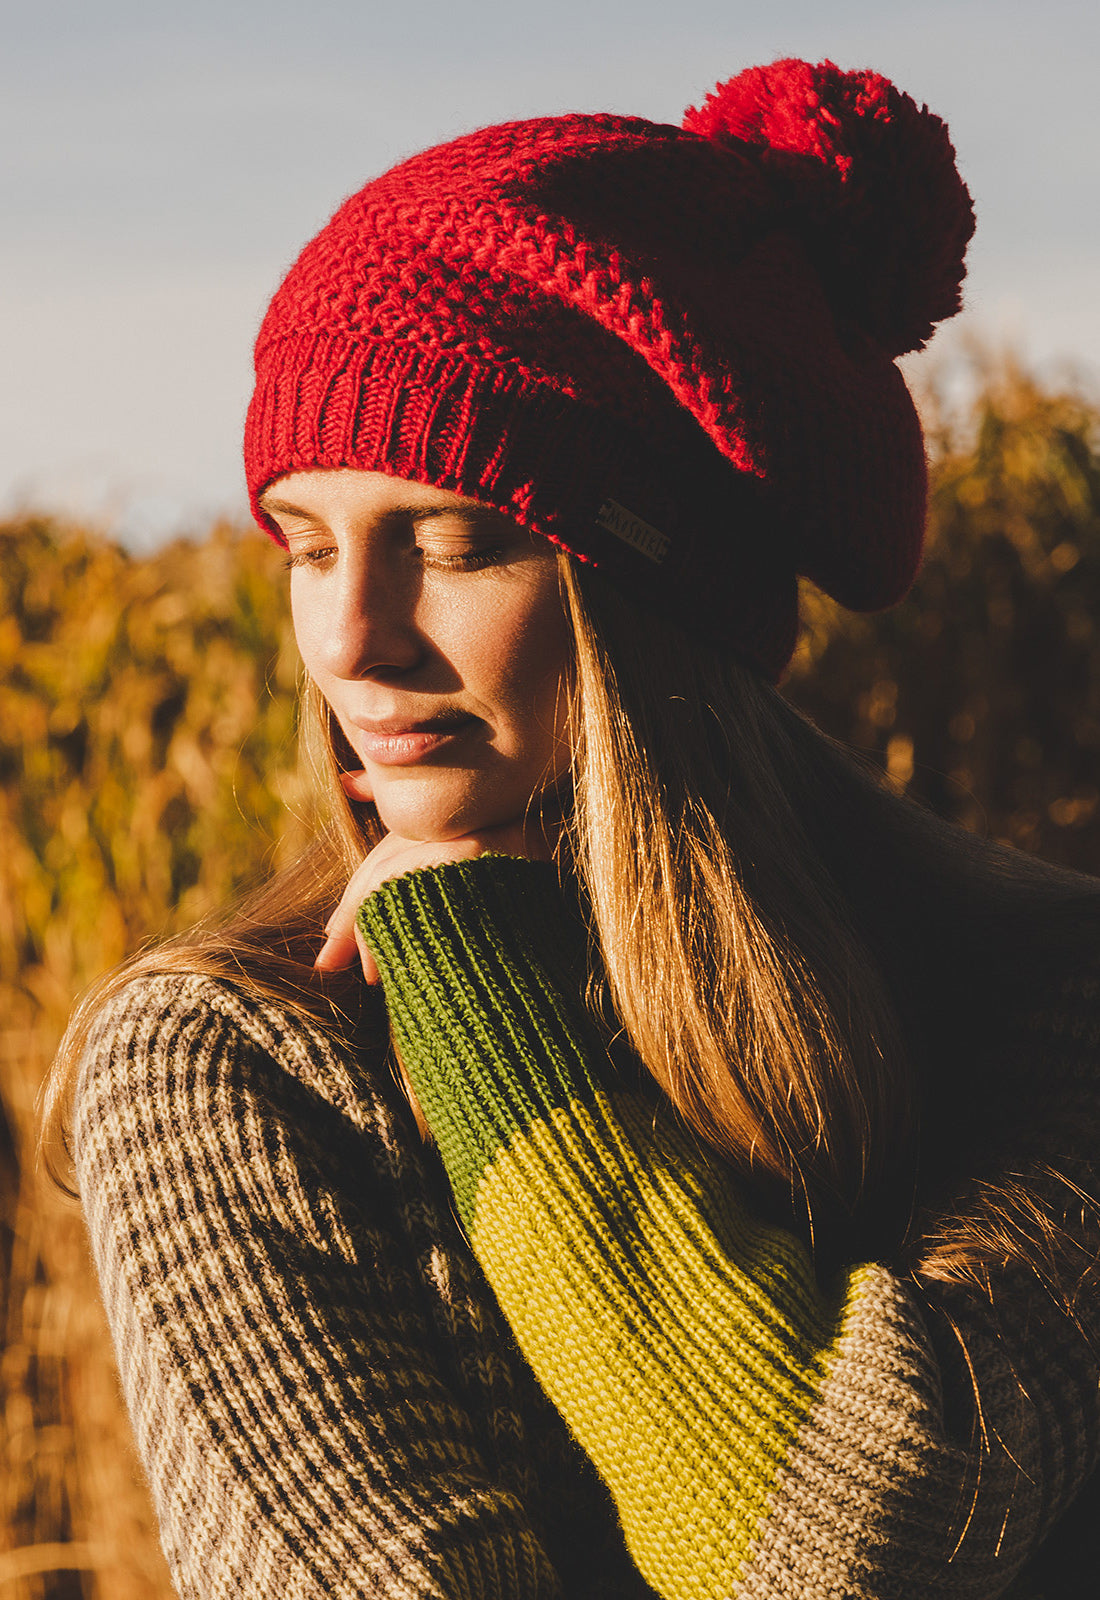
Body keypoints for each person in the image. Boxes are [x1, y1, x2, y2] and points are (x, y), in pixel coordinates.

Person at [47, 56, 1100, 1600]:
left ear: (656, 593)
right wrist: (455, 959)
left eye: (453, 542)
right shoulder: (237, 1059)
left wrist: (493, 1015)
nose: (349, 638)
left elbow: (835, 1534)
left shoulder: (1054, 992)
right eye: (304, 542)